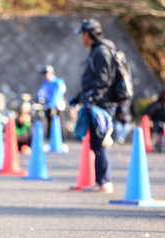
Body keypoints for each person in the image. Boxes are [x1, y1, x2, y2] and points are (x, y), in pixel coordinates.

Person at [69, 18, 117, 194]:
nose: (81, 38)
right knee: (97, 144)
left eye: (81, 34)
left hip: (100, 107)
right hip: (97, 104)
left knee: (100, 144)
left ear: (87, 34)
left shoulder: (101, 52)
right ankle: (101, 181)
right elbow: (94, 82)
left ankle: (104, 182)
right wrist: (79, 98)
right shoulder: (97, 51)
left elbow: (103, 81)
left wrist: (91, 100)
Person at [36, 65, 67, 142]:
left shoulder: (58, 82)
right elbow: (41, 92)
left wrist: (52, 103)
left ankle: (63, 141)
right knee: (48, 123)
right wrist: (38, 99)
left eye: (46, 73)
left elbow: (59, 94)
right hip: (47, 105)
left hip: (57, 105)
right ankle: (50, 141)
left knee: (60, 123)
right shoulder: (44, 82)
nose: (45, 76)